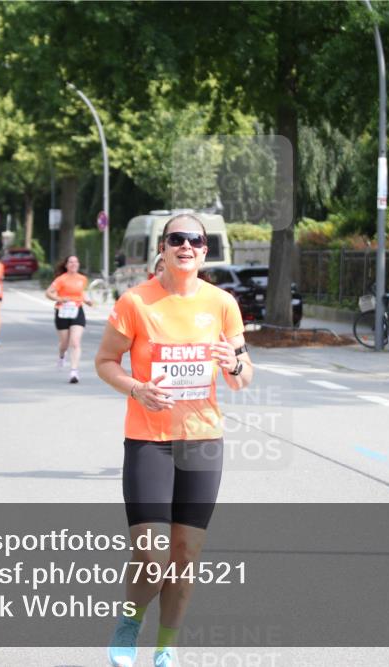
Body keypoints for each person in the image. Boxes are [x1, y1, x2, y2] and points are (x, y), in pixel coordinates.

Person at [95, 214, 254, 667]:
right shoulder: (136, 303)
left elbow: (243, 377)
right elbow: (105, 361)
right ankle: (129, 622)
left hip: (202, 441)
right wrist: (136, 388)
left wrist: (234, 364)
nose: (186, 245)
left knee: (185, 554)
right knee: (151, 554)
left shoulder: (222, 304)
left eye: (195, 240)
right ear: (162, 248)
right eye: (176, 239)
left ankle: (165, 646)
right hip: (148, 440)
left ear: (205, 251)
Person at [46, 255, 94, 384]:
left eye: (75, 262)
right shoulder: (61, 279)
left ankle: (74, 371)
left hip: (77, 310)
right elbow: (48, 293)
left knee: (75, 342)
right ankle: (62, 355)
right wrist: (60, 299)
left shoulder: (82, 279)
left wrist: (87, 301)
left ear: (78, 264)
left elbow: (81, 293)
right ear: (66, 265)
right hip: (62, 311)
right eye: (70, 262)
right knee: (64, 344)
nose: (73, 264)